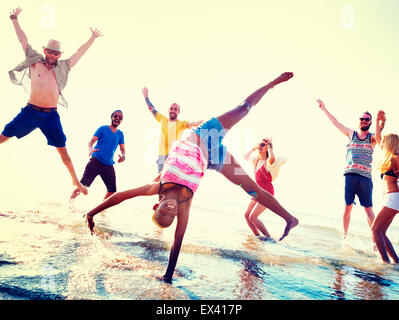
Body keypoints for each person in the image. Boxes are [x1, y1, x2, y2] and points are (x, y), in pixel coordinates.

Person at [85, 73, 299, 283]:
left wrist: (92, 213)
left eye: (163, 213)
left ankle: (272, 83)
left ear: (156, 206)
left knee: (244, 108)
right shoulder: (184, 205)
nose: (170, 211)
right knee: (253, 190)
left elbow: (120, 196)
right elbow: (177, 242)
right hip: (216, 158)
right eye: (171, 217)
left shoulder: (157, 186)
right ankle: (290, 218)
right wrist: (168, 275)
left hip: (205, 134)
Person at [1, 7, 102, 194]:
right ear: (45, 51)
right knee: (4, 135)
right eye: (50, 51)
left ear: (60, 55)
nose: (53, 55)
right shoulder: (34, 60)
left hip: (50, 116)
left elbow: (79, 53)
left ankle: (75, 182)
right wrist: (14, 19)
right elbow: (22, 40)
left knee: (63, 151)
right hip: (30, 112)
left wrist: (93, 38)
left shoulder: (64, 67)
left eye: (56, 53)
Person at [317, 99, 383, 237]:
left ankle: (375, 239)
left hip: (365, 178)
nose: (364, 121)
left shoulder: (371, 138)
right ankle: (345, 237)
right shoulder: (351, 134)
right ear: (359, 120)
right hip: (350, 175)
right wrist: (324, 109)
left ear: (370, 122)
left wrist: (378, 121)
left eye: (367, 119)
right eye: (362, 118)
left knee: (368, 209)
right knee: (347, 207)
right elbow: (336, 123)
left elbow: (379, 139)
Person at [142, 87, 203, 172]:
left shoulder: (181, 124)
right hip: (162, 156)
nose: (173, 111)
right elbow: (152, 109)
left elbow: (191, 123)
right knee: (160, 180)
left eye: (175, 109)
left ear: (178, 112)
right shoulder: (163, 119)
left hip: (173, 156)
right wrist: (146, 97)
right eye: (171, 109)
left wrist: (197, 122)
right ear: (169, 110)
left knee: (172, 178)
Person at [70, 110, 126, 201]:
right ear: (111, 117)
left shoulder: (120, 134)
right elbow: (91, 142)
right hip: (95, 162)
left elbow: (123, 149)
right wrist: (90, 148)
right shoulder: (102, 129)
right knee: (82, 186)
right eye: (115, 116)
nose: (117, 119)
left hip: (108, 165)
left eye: (120, 118)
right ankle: (69, 205)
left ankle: (100, 210)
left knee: (112, 191)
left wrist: (123, 157)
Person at [243, 138, 287, 238]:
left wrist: (270, 148)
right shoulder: (256, 160)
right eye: (259, 145)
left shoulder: (268, 162)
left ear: (267, 148)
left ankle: (268, 238)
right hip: (257, 191)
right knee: (246, 216)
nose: (260, 147)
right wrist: (254, 148)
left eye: (263, 145)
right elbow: (245, 156)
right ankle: (257, 236)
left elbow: (272, 158)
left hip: (267, 192)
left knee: (253, 217)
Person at [371, 111, 399, 263]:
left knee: (375, 230)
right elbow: (378, 137)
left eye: (385, 142)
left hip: (393, 197)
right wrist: (378, 121)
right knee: (381, 232)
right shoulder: (389, 156)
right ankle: (395, 262)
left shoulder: (396, 158)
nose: (382, 143)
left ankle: (384, 262)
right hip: (391, 199)